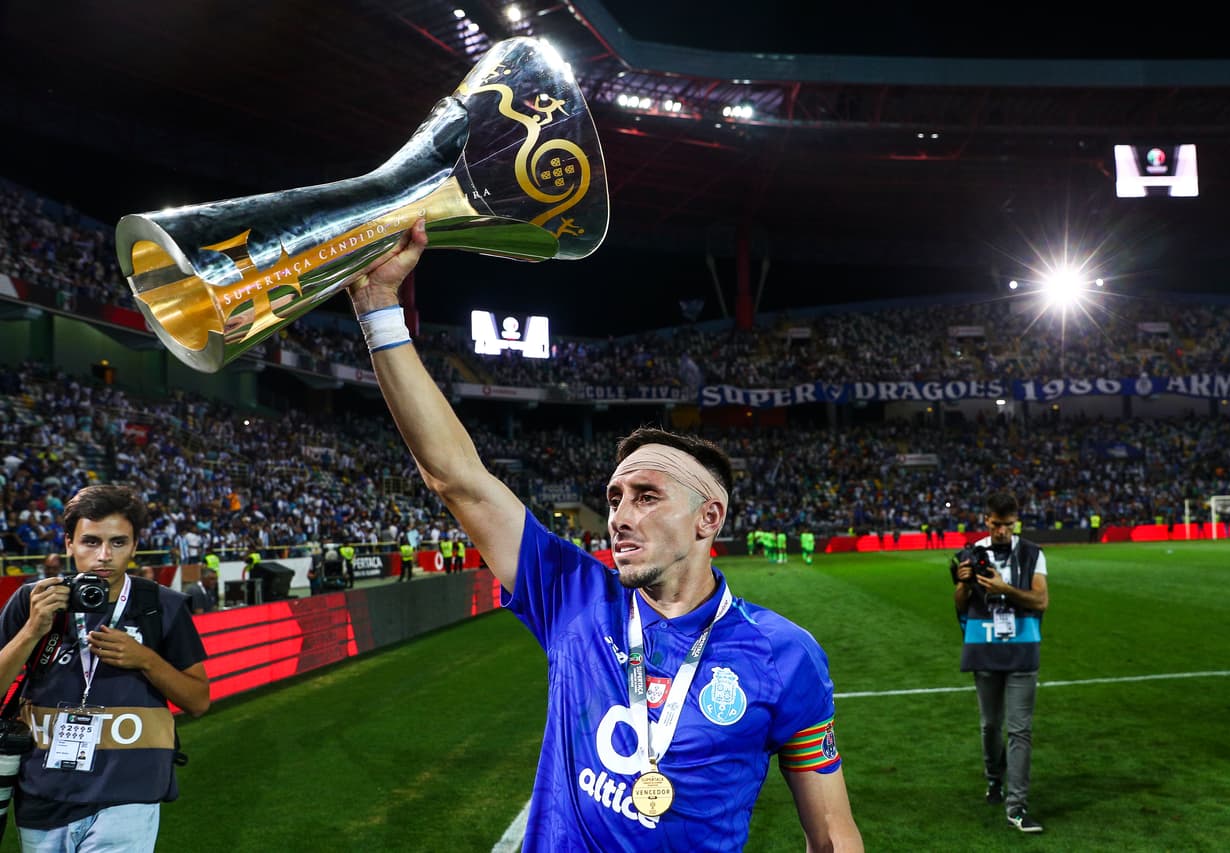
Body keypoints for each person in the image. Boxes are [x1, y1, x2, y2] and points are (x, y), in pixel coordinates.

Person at [345, 220, 862, 851]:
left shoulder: (786, 654)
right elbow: (459, 479)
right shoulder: (571, 594)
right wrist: (378, 312)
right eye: (615, 497)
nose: (619, 514)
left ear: (709, 519)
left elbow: (832, 833)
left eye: (647, 497)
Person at [0, 484, 210, 850]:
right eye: (91, 541)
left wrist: (145, 659)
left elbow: (198, 700)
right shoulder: (33, 601)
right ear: (69, 543)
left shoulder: (163, 607)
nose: (103, 556)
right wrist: (33, 630)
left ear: (134, 545)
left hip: (129, 794)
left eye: (117, 542)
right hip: (43, 793)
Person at [951, 491, 1050, 834]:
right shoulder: (971, 551)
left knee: (1020, 729)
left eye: (1008, 525)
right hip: (984, 648)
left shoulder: (1033, 553)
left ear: (1016, 521)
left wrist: (1004, 588)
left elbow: (1041, 600)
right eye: (996, 524)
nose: (1002, 531)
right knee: (990, 726)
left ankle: (1017, 807)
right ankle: (995, 779)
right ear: (987, 520)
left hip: (1023, 649)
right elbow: (961, 604)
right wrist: (963, 583)